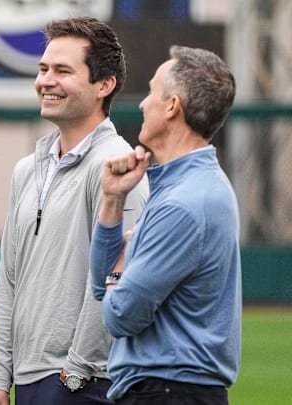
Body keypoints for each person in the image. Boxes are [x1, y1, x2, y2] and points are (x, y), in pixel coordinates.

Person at [0, 17, 148, 405]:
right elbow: (10, 279)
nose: (46, 81)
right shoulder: (26, 170)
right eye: (43, 69)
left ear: (104, 85)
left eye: (63, 71)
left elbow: (117, 282)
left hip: (88, 385)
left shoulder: (117, 163)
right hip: (33, 381)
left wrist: (76, 372)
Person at [89, 45, 240, 404]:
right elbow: (102, 288)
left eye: (152, 91)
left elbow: (120, 316)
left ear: (172, 106)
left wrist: (121, 270)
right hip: (167, 389)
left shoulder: (186, 202)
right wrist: (112, 200)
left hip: (169, 392)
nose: (143, 103)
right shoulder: (182, 187)